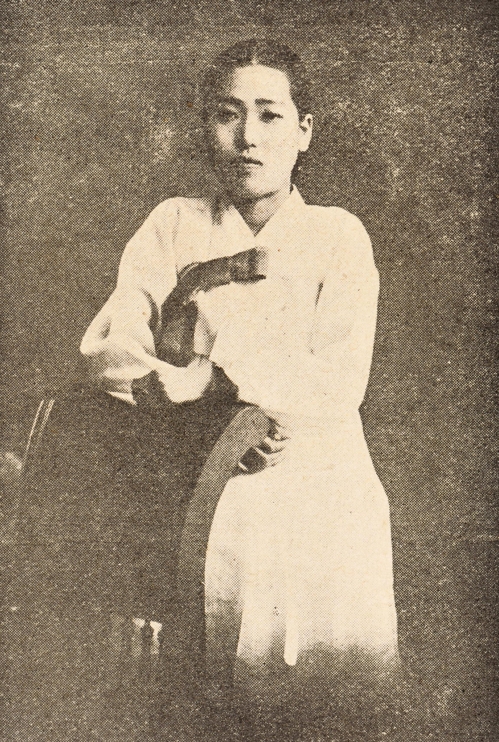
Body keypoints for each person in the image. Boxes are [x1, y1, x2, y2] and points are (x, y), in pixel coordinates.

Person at [7, 39, 400, 741]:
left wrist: (233, 395)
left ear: (304, 130)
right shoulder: (173, 223)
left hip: (316, 485)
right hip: (197, 483)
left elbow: (338, 379)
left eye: (270, 115)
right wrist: (200, 409)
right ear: (207, 125)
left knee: (321, 699)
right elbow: (111, 347)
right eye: (228, 113)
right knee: (201, 698)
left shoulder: (338, 236)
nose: (248, 136)